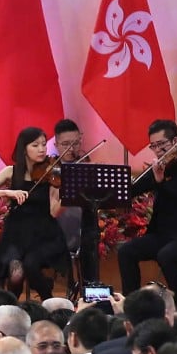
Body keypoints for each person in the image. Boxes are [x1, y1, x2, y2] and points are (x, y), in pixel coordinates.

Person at [117, 119, 177, 313]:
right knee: (126, 251)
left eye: (161, 144)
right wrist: (113, 193)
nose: (157, 150)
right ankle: (131, 306)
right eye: (153, 146)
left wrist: (159, 181)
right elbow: (134, 189)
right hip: (163, 235)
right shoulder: (160, 166)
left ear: (175, 141)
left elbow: (174, 194)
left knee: (166, 255)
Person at [0, 126, 67, 300]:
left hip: (44, 234)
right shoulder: (10, 172)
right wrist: (7, 192)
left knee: (31, 265)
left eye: (44, 144)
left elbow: (55, 212)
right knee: (16, 272)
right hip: (16, 234)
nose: (42, 149)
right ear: (24, 148)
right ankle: (11, 305)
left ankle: (48, 301)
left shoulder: (51, 173)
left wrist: (67, 194)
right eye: (35, 145)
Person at [54, 118, 101, 282]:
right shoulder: (49, 170)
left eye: (75, 143)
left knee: (91, 235)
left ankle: (89, 285)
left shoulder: (87, 168)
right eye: (65, 144)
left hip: (82, 229)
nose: (71, 149)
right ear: (56, 145)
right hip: (55, 228)